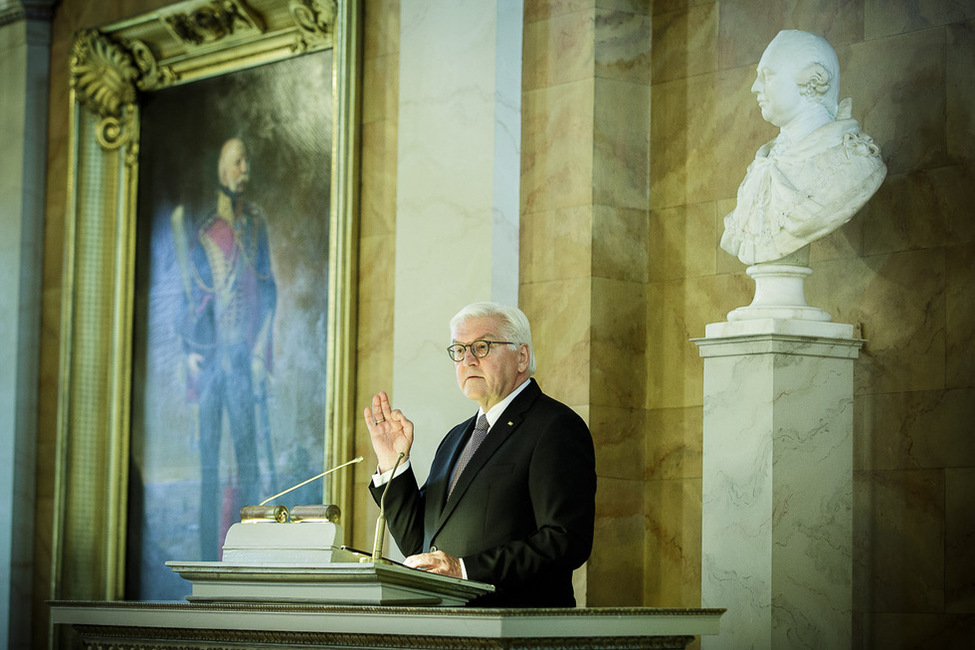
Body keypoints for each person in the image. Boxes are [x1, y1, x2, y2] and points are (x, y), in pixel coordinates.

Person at [365, 302, 596, 607]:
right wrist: (392, 463)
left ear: (521, 356)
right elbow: (419, 545)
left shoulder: (555, 427)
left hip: (516, 626)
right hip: (447, 625)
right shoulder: (455, 438)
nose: (468, 360)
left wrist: (465, 570)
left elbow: (565, 540)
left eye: (482, 347)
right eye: (459, 350)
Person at [174, 137, 278, 560]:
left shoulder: (255, 225)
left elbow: (269, 294)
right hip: (211, 359)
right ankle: (205, 558)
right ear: (221, 170)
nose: (245, 171)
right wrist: (188, 352)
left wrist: (259, 356)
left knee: (248, 460)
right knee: (208, 468)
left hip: (240, 358)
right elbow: (189, 301)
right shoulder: (201, 232)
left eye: (247, 162)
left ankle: (247, 556)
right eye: (238, 162)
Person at [720, 30, 887, 265]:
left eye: (767, 76)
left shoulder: (853, 161)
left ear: (812, 81)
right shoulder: (761, 167)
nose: (754, 87)